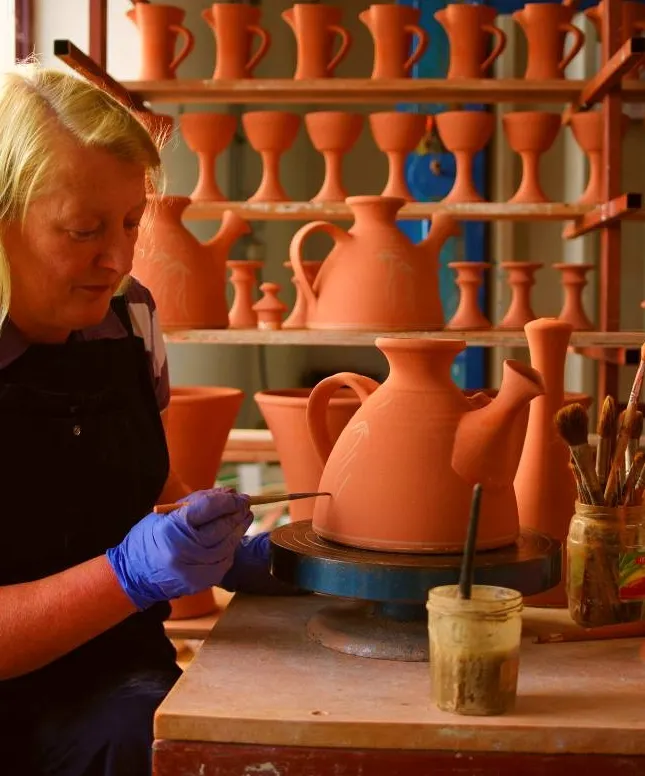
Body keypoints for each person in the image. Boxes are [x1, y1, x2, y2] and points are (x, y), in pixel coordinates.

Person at [0, 63, 293, 776]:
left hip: (119, 688)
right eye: (83, 230)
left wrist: (217, 537)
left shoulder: (130, 317)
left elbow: (149, 484)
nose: (119, 258)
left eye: (131, 222)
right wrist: (128, 573)